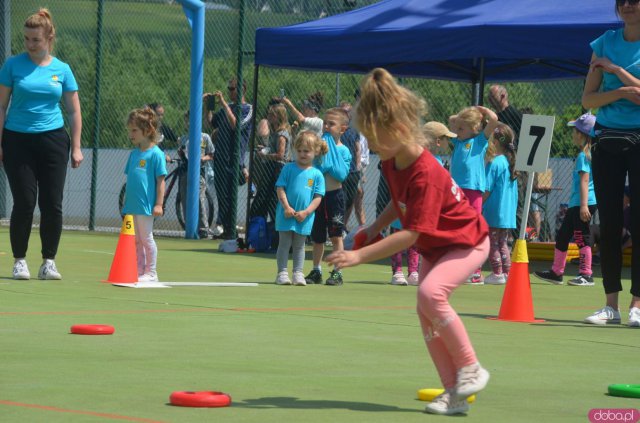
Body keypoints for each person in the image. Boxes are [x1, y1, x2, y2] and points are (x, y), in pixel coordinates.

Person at [326, 68, 490, 415]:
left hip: (467, 242)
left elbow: (411, 234)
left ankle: (471, 367)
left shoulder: (427, 172)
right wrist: (372, 227)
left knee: (431, 294)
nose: (369, 145)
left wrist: (361, 256)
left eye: (373, 138)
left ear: (398, 130)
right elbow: (398, 204)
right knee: (424, 310)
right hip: (437, 245)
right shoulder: (391, 158)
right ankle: (453, 393)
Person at [0, 8, 83, 280]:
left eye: (35, 39)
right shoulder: (12, 65)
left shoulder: (63, 70)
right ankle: (19, 260)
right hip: (17, 140)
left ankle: (49, 261)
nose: (29, 44)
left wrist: (76, 146)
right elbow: (1, 106)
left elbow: (73, 111)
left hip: (53, 140)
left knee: (52, 203)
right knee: (24, 201)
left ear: (49, 38)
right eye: (25, 39)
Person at [583, 0, 640, 326]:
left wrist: (617, 72)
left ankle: (637, 305)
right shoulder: (604, 43)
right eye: (623, 2)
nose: (628, 6)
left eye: (635, 0)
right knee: (610, 223)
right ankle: (611, 306)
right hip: (607, 140)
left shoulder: (611, 59)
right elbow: (588, 100)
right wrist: (620, 92)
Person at [534, 113, 598, 287]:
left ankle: (586, 274)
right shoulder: (590, 154)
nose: (572, 134)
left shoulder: (583, 156)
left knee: (581, 236)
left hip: (582, 203)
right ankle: (556, 272)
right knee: (562, 236)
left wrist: (584, 206)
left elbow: (585, 181)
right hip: (577, 203)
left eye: (574, 130)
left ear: (581, 134)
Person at [448, 106, 499, 284]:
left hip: (473, 191)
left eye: (462, 129)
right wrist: (464, 116)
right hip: (456, 191)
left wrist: (480, 111)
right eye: (459, 128)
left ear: (474, 128)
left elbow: (493, 120)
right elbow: (451, 119)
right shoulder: (458, 142)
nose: (457, 131)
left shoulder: (479, 141)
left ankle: (475, 271)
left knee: (473, 229)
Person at [304, 107, 352, 286]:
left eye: (331, 124)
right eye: (325, 123)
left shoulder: (344, 151)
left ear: (343, 129)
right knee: (317, 237)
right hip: (318, 197)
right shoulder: (318, 146)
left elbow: (341, 174)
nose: (326, 126)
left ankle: (338, 272)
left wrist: (329, 158)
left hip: (335, 197)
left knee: (336, 236)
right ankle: (316, 270)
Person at [274, 131, 327, 286]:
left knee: (299, 245)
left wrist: (306, 212)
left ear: (316, 152)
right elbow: (280, 188)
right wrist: (286, 207)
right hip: (286, 214)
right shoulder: (288, 168)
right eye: (300, 151)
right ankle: (282, 273)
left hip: (304, 218)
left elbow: (318, 197)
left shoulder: (317, 174)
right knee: (284, 244)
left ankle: (298, 273)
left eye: (307, 151)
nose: (303, 154)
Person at [122, 107, 168, 282]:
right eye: (130, 130)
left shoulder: (156, 154)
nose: (131, 134)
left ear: (147, 130)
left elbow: (160, 181)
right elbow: (131, 180)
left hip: (146, 206)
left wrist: (158, 204)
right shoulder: (134, 154)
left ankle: (151, 272)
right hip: (132, 205)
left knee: (146, 238)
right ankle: (140, 270)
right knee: (136, 240)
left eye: (134, 130)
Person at [204, 78, 253, 239]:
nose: (230, 92)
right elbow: (212, 123)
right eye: (229, 89)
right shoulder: (228, 108)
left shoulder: (247, 108)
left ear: (242, 90)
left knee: (230, 195)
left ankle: (229, 228)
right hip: (220, 157)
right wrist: (208, 106)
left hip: (234, 159)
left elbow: (236, 126)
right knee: (221, 194)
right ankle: (224, 227)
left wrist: (224, 104)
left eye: (232, 89)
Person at [482, 124, 519, 285]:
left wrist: (477, 205)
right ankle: (506, 272)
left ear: (496, 142)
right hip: (507, 213)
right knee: (503, 242)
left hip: (494, 211)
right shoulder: (510, 164)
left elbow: (487, 188)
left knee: (492, 241)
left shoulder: (496, 163)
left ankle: (497, 272)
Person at [251, 102, 292, 222]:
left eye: (271, 115)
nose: (268, 117)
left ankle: (275, 225)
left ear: (278, 117)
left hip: (277, 169)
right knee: (264, 198)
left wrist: (265, 155)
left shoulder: (281, 134)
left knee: (272, 198)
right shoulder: (275, 132)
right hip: (271, 168)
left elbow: (280, 155)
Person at [177, 110, 215, 239]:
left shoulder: (205, 137)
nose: (189, 123)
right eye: (187, 120)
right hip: (184, 171)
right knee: (185, 197)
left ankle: (203, 228)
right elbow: (182, 154)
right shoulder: (183, 138)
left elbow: (212, 154)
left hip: (199, 171)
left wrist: (203, 159)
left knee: (199, 198)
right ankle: (189, 226)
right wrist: (181, 154)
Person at [339, 101, 361, 231]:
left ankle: (343, 226)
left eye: (348, 112)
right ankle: (337, 226)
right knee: (341, 199)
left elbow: (358, 149)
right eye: (343, 111)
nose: (346, 114)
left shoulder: (354, 130)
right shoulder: (337, 130)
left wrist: (358, 166)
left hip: (353, 171)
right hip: (341, 171)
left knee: (350, 200)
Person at [388, 218, 420, 286]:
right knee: (397, 236)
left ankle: (413, 273)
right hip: (399, 212)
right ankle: (397, 272)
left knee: (414, 237)